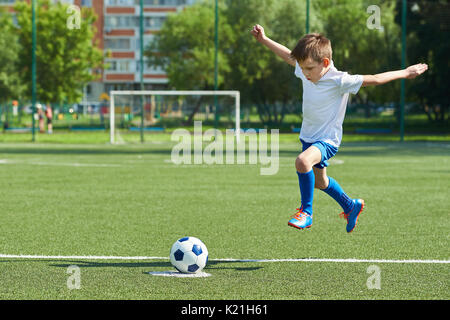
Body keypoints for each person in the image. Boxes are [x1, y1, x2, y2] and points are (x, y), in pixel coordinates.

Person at [250, 24, 428, 232]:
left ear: (325, 63)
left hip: (327, 140)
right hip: (308, 138)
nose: (304, 73)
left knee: (302, 161)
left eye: (308, 68)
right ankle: (351, 206)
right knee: (320, 182)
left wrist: (406, 72)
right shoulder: (307, 68)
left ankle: (306, 212)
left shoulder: (340, 80)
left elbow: (376, 79)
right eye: (302, 67)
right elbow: (289, 57)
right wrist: (264, 40)